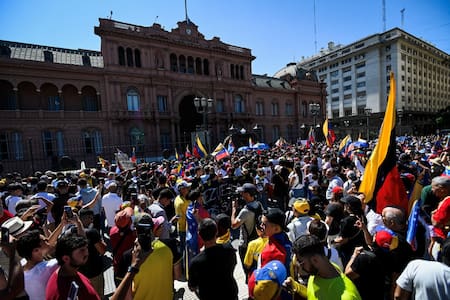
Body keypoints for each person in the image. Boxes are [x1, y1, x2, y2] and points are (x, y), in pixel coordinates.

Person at [284, 234, 361, 300]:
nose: (300, 267)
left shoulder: (348, 297)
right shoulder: (319, 271)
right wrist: (296, 287)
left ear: (315, 260)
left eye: (301, 263)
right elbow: (313, 294)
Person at [188, 218, 238, 300]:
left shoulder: (195, 262)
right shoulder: (229, 249)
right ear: (216, 232)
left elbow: (192, 287)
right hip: (230, 294)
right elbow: (234, 264)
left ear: (199, 235)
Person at [45, 235, 100, 300]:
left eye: (86, 248)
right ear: (66, 259)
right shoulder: (62, 294)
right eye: (81, 250)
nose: (86, 253)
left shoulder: (72, 271)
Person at [231, 183, 263, 278]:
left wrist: (233, 210)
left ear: (248, 194)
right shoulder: (258, 204)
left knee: (248, 271)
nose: (241, 194)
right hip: (257, 241)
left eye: (243, 192)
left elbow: (234, 225)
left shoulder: (245, 211)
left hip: (246, 245)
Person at [16, 230, 58, 300]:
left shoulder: (22, 265)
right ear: (36, 250)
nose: (47, 239)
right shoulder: (48, 267)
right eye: (44, 241)